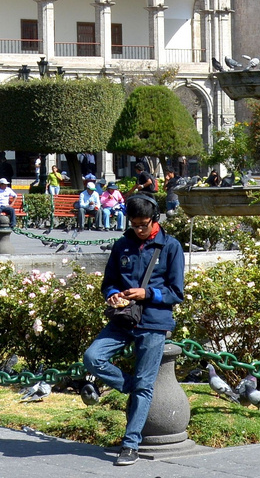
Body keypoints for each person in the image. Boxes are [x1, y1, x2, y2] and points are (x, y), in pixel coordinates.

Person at [84, 194, 186, 467]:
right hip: (123, 318)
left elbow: (176, 293)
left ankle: (130, 445)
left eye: (144, 224)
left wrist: (147, 293)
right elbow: (108, 283)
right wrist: (114, 295)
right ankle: (132, 387)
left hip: (154, 321)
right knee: (93, 358)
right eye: (135, 224)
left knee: (145, 384)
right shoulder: (122, 245)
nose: (140, 229)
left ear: (155, 219)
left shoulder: (171, 246)